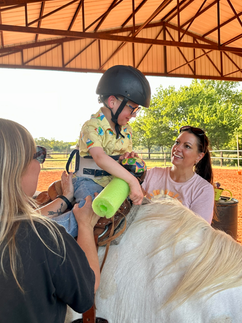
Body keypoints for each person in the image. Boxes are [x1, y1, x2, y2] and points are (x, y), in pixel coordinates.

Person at [0, 118, 100, 323]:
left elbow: (23, 219)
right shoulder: (46, 238)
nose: (39, 163)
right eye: (37, 155)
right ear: (16, 167)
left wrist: (65, 198)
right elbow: (87, 291)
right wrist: (85, 225)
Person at [52, 65, 151, 237]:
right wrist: (132, 181)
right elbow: (99, 157)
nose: (134, 115)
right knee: (89, 214)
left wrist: (128, 158)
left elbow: (119, 159)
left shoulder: (126, 130)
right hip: (89, 181)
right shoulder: (92, 126)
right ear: (113, 102)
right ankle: (40, 233)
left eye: (137, 110)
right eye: (132, 108)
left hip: (112, 182)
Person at [142, 126, 214, 224]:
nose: (177, 148)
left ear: (199, 156)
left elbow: (199, 232)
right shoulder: (153, 174)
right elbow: (130, 197)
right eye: (177, 142)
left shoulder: (203, 189)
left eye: (187, 146)